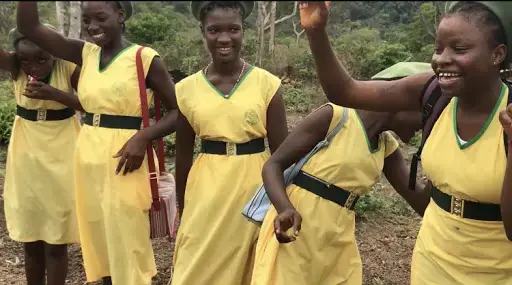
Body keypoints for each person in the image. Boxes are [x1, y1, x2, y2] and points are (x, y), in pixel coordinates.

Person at [299, 1, 512, 284]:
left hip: (496, 273)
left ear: (497, 55)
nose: (442, 60)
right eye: (439, 49)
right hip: (431, 264)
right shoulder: (433, 92)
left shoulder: (507, 115)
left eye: (459, 50)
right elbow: (345, 91)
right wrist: (316, 31)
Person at [16, 1, 179, 285]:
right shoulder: (84, 53)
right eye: (88, 19)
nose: (93, 27)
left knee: (128, 241)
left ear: (120, 14)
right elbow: (30, 28)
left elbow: (179, 112)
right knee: (99, 243)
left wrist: (143, 136)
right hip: (87, 158)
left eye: (101, 18)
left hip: (126, 159)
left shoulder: (144, 58)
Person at [172, 1, 288, 284]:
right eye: (214, 30)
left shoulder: (267, 84)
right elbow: (183, 156)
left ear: (243, 31)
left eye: (233, 29)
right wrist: (182, 205)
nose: (224, 39)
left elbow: (283, 154)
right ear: (203, 31)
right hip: (206, 189)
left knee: (249, 264)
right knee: (196, 260)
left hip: (254, 186)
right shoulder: (186, 89)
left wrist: (285, 204)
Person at [250, 102, 430, 285]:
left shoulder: (386, 146)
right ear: (403, 104)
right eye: (426, 116)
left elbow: (421, 203)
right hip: (298, 228)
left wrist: (441, 164)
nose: (426, 125)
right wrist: (284, 208)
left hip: (339, 237)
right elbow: (273, 165)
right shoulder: (334, 117)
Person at [0, 24, 80, 285]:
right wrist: (15, 61)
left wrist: (56, 95)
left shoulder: (69, 68)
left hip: (63, 150)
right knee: (31, 237)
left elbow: (93, 103)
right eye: (24, 60)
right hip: (26, 154)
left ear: (54, 53)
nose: (33, 66)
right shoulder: (16, 69)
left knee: (57, 238)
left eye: (41, 58)